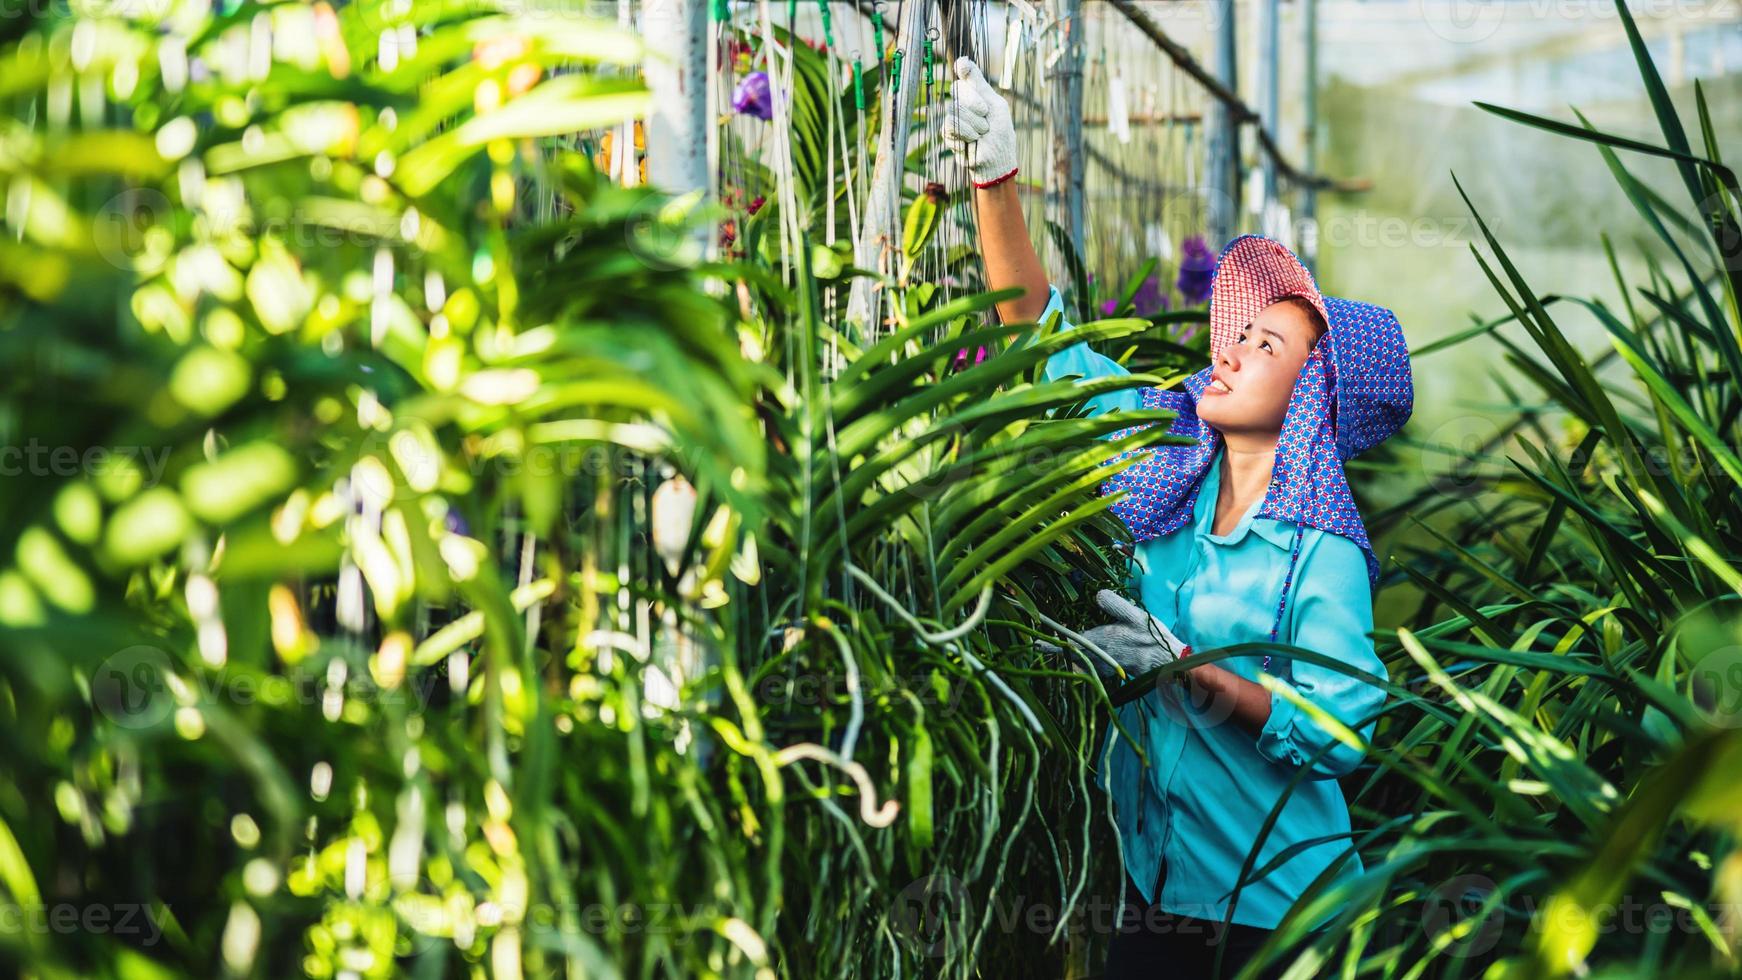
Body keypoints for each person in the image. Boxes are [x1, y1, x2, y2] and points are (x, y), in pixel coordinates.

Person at [940, 57, 1415, 978]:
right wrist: (996, 181)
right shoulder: (1168, 470)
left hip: (1278, 913)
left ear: (1313, 396)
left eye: (1266, 344)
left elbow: (1345, 728)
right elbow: (1044, 344)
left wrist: (1193, 673)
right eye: (1237, 333)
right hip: (1154, 886)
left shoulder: (1318, 554)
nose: (1232, 351)